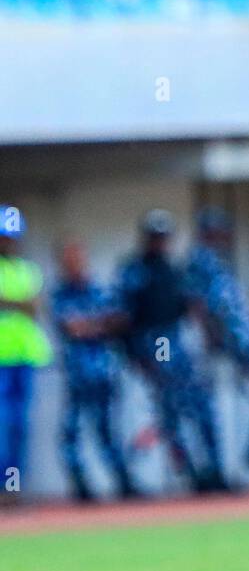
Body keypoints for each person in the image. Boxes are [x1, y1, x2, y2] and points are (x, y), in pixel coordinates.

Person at [115, 210, 228, 493]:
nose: (160, 242)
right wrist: (136, 356)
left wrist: (210, 333)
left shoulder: (175, 271)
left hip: (177, 343)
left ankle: (213, 470)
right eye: (155, 236)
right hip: (152, 343)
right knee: (169, 412)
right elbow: (124, 317)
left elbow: (191, 307)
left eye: (163, 237)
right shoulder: (134, 271)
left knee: (200, 406)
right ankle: (186, 472)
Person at [51, 240, 138, 502]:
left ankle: (124, 483)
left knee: (108, 430)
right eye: (69, 259)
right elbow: (72, 328)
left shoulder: (99, 290)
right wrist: (97, 325)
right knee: (71, 433)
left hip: (104, 373)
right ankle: (81, 487)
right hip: (77, 376)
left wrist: (92, 326)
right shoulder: (60, 294)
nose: (75, 264)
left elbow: (120, 321)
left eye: (78, 257)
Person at [0, 205, 52, 500]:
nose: (8, 242)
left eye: (12, 237)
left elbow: (34, 307)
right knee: (2, 424)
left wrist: (11, 302)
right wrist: (17, 303)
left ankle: (13, 487)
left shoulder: (27, 269)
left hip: (25, 357)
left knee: (20, 425)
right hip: (0, 359)